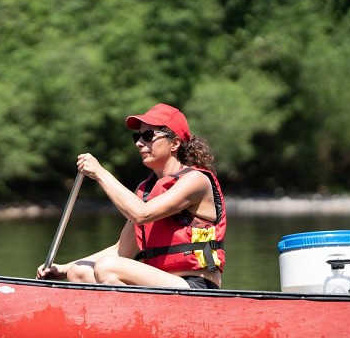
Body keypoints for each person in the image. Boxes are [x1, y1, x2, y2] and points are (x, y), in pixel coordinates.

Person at [36, 103, 227, 289]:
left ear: (175, 143)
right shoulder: (145, 190)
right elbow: (122, 250)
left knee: (107, 267)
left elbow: (141, 214)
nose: (139, 143)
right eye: (137, 136)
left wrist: (99, 173)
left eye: (148, 136)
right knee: (79, 272)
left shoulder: (196, 181)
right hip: (162, 286)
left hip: (196, 286)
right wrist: (64, 268)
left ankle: (128, 319)